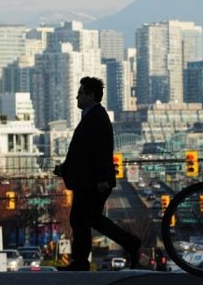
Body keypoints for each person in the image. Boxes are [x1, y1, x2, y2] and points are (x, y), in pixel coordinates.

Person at [54, 76, 141, 271]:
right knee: (92, 218)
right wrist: (64, 169)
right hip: (89, 180)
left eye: (81, 93)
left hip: (92, 182)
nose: (77, 97)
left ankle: (81, 262)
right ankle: (130, 243)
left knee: (79, 219)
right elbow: (82, 153)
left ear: (91, 95)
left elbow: (100, 150)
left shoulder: (96, 117)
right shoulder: (92, 116)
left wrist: (102, 178)